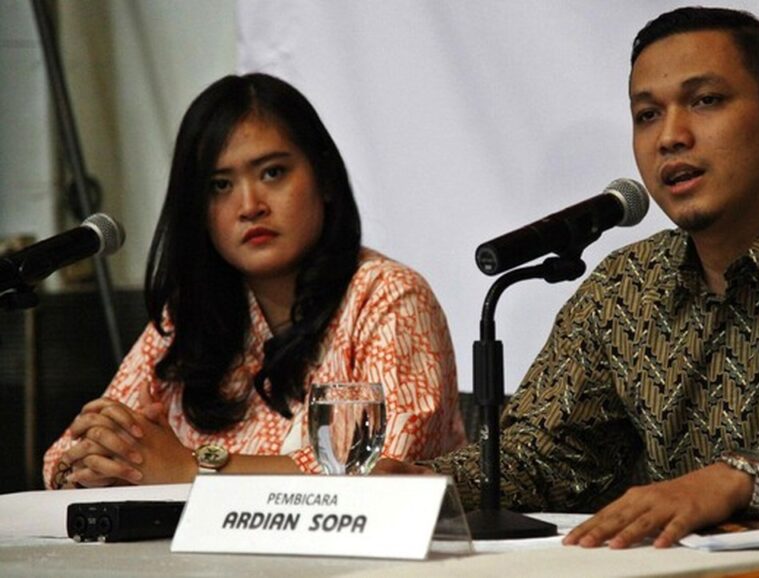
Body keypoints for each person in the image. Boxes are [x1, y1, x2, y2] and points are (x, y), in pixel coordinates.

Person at [376, 7, 759, 549]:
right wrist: (425, 481)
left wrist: (739, 482)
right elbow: (547, 458)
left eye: (705, 101)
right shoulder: (627, 285)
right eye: (647, 115)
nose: (670, 136)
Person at [44, 73, 465, 489]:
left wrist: (196, 469)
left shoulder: (388, 296)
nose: (249, 206)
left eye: (272, 173)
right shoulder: (190, 314)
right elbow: (62, 459)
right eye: (220, 185)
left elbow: (384, 471)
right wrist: (99, 466)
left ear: (325, 178)